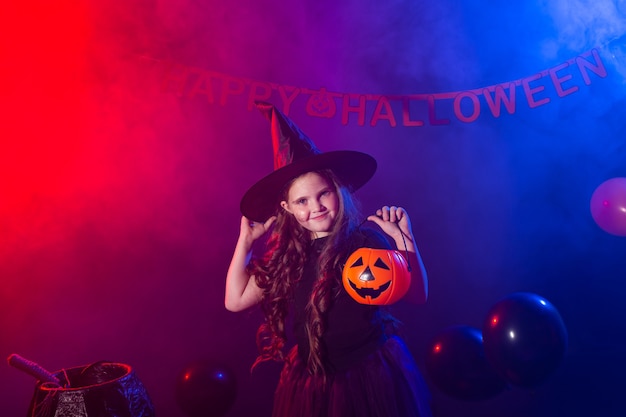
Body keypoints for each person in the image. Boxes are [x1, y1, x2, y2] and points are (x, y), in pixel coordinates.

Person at [225, 101, 432, 417]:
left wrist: (406, 240)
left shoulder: (365, 242)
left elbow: (416, 295)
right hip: (312, 384)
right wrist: (246, 244)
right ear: (287, 208)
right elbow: (235, 300)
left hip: (365, 378)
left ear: (338, 190)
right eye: (302, 201)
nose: (316, 206)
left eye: (323, 193)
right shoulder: (288, 258)